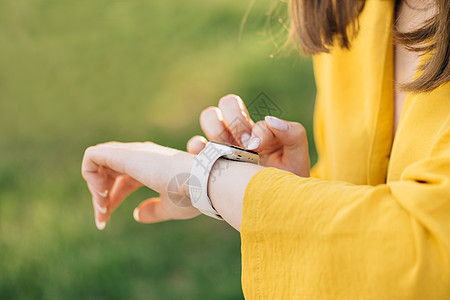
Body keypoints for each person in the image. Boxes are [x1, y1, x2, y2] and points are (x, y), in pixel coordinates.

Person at [81, 0, 450, 298]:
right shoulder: (348, 9)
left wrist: (212, 179)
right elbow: (362, 208)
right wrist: (292, 191)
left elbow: (428, 253)